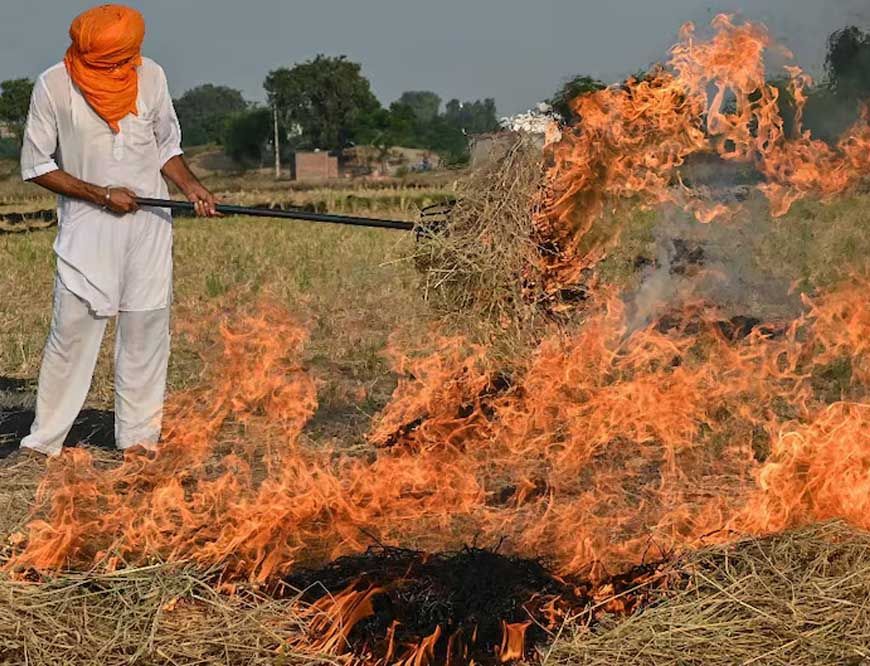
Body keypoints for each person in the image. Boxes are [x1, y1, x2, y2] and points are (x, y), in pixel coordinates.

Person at [16, 4, 217, 458]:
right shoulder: (54, 84)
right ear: (86, 52)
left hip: (148, 228)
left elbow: (166, 144)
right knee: (72, 335)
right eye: (108, 60)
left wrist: (191, 186)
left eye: (125, 58)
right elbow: (37, 165)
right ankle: (44, 442)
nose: (119, 67)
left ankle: (139, 441)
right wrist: (102, 195)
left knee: (146, 331)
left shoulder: (151, 76)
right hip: (88, 231)